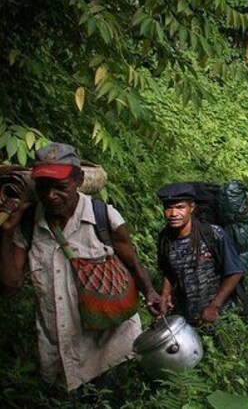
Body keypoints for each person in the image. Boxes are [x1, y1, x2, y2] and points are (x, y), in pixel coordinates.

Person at [0, 143, 163, 391]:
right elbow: (10, 286)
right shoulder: (29, 224)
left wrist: (150, 292)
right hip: (59, 351)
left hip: (108, 350)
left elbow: (132, 262)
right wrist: (6, 234)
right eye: (43, 187)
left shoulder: (103, 217)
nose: (51, 195)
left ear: (78, 180)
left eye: (60, 187)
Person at [155, 183, 243, 328]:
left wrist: (215, 306)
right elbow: (168, 272)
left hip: (222, 317)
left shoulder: (213, 234)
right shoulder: (165, 238)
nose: (173, 213)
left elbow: (235, 272)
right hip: (186, 321)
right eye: (168, 208)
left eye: (180, 207)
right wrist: (165, 296)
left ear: (192, 208)